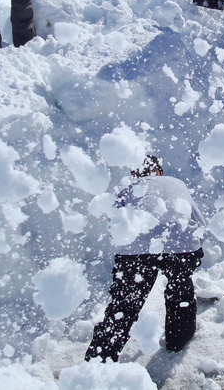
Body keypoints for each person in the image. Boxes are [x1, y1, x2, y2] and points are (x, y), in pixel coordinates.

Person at [85, 155, 206, 362]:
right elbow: (199, 220)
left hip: (136, 250)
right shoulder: (177, 183)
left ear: (135, 173)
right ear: (159, 171)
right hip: (180, 246)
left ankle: (100, 359)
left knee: (124, 304)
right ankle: (178, 339)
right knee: (180, 290)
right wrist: (192, 249)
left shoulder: (129, 188)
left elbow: (115, 225)